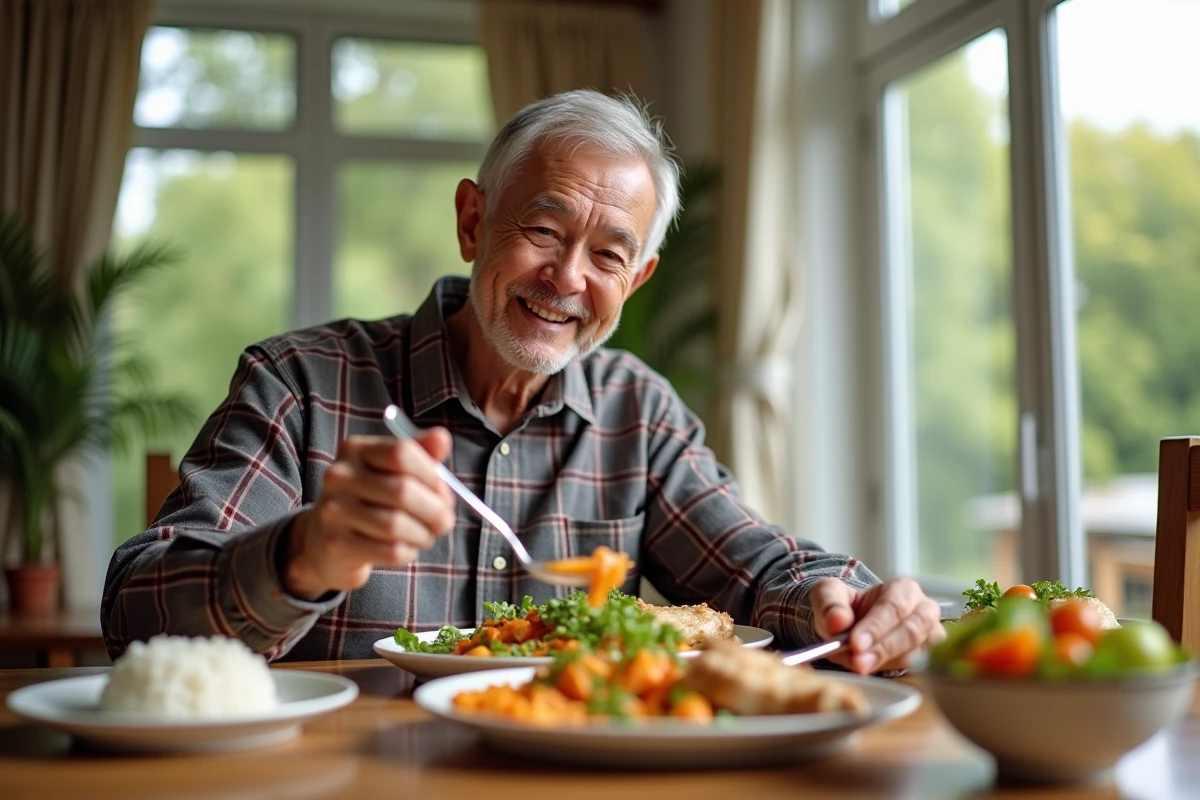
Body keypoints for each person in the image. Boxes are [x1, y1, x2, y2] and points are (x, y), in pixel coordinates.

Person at [102, 90, 945, 672]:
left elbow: (760, 569)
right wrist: (303, 554)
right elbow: (137, 616)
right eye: (542, 228)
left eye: (608, 255)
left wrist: (850, 604)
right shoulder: (300, 382)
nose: (568, 277)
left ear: (637, 279)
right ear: (473, 220)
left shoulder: (637, 413)